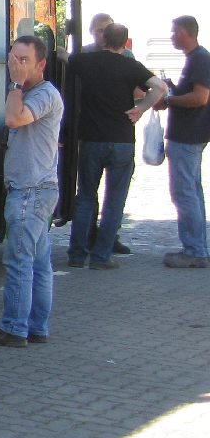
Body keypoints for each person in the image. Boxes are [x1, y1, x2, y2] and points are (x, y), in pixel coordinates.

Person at [0, 36, 63, 347]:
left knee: (20, 263)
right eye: (13, 59)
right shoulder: (33, 93)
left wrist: (14, 84)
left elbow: (15, 119)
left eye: (23, 60)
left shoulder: (43, 94)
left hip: (31, 191)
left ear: (41, 64)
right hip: (35, 190)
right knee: (38, 263)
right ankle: (36, 327)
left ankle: (14, 327)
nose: (16, 65)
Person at [64, 23, 166, 269]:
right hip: (122, 140)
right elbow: (160, 87)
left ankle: (76, 254)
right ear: (125, 43)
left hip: (91, 139)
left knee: (85, 197)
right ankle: (101, 257)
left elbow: (64, 58)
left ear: (103, 39)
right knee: (114, 201)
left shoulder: (86, 61)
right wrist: (141, 109)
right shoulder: (130, 65)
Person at [156, 15, 210, 268]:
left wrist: (169, 99)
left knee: (185, 193)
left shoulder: (200, 58)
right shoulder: (196, 58)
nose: (171, 36)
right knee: (192, 192)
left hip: (188, 136)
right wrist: (174, 89)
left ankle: (195, 251)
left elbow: (200, 98)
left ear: (185, 33)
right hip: (191, 135)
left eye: (174, 31)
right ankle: (198, 247)